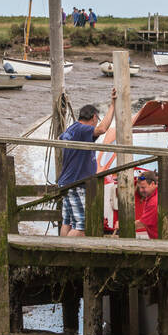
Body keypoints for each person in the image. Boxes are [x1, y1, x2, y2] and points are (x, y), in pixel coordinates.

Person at [56, 92, 116, 237]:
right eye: (97, 119)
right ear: (94, 117)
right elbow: (102, 129)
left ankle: (61, 251)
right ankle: (68, 254)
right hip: (76, 184)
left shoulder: (72, 130)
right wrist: (113, 106)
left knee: (68, 222)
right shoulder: (83, 130)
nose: (97, 122)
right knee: (81, 226)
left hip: (68, 182)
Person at [134, 170, 159, 239]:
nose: (141, 190)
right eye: (139, 187)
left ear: (153, 184)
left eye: (143, 187)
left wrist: (122, 226)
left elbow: (142, 224)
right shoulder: (154, 195)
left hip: (164, 243)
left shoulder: (154, 201)